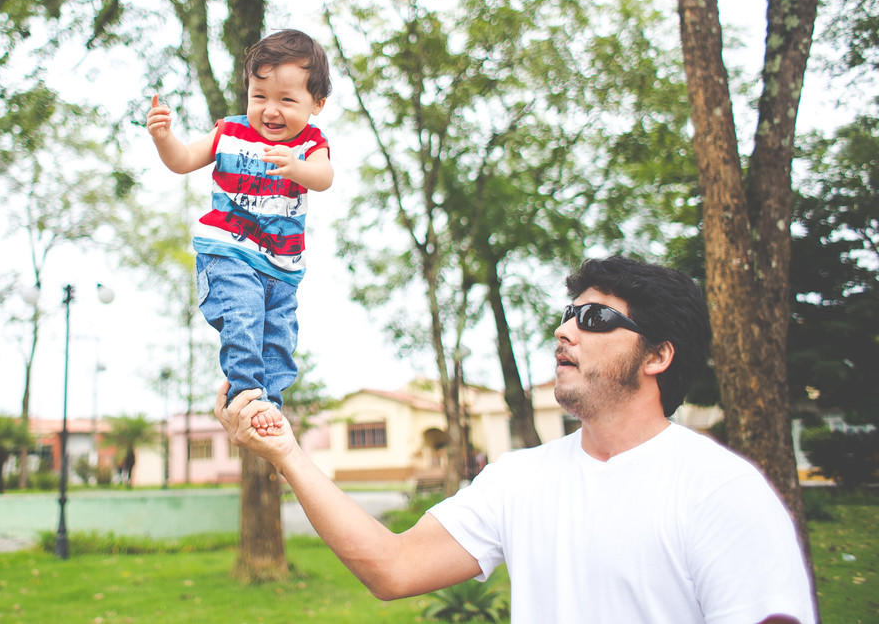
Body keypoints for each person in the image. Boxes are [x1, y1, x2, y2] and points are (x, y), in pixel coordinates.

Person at [216, 255, 816, 623]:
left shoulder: (721, 492)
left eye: (596, 318)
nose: (564, 330)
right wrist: (288, 454)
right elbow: (393, 568)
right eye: (568, 313)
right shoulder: (520, 477)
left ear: (658, 355)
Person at [148, 29, 333, 436]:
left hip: (281, 268)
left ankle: (270, 405)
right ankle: (247, 394)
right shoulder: (228, 132)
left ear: (316, 104)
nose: (270, 110)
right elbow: (182, 161)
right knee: (244, 317)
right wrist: (165, 139)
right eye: (259, 97)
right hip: (229, 252)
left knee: (279, 337)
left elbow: (324, 177)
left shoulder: (310, 144)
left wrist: (296, 167)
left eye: (287, 100)